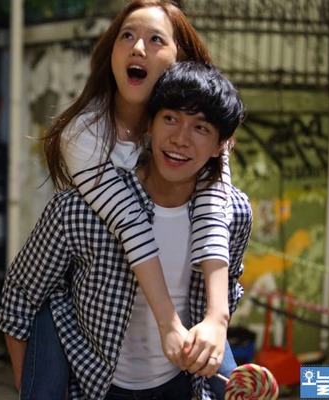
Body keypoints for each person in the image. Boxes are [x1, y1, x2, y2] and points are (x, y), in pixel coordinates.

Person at [0, 60, 251, 399]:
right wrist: (29, 386)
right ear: (149, 126)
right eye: (170, 119)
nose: (180, 139)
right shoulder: (82, 208)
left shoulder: (234, 213)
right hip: (94, 387)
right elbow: (20, 295)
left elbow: (228, 287)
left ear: (221, 145)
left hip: (180, 386)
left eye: (200, 128)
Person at [42, 0, 233, 386]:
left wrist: (217, 317)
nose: (138, 48)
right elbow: (130, 222)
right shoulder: (84, 134)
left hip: (170, 322)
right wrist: (169, 325)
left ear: (180, 59)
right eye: (126, 36)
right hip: (85, 307)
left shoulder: (197, 128)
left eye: (155, 39)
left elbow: (214, 208)